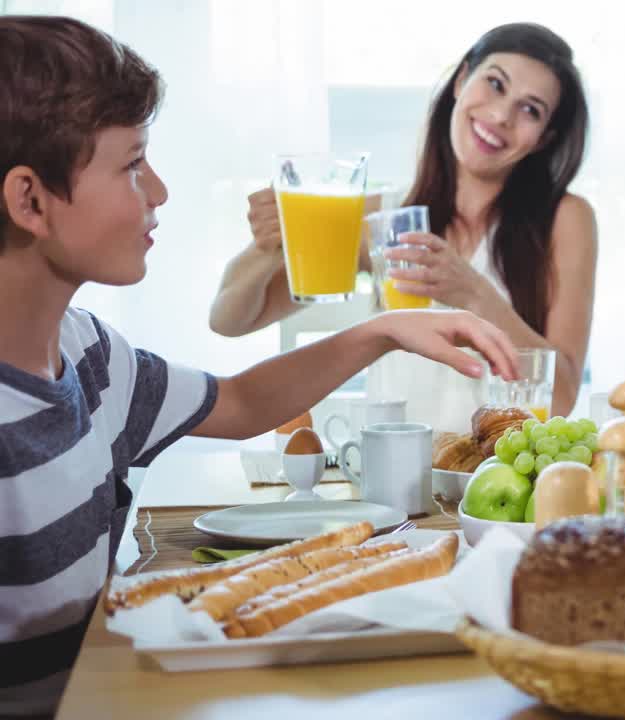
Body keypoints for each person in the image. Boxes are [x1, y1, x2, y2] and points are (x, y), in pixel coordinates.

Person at [0, 16, 520, 716]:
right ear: (30, 199)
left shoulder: (90, 353)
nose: (158, 191)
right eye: (131, 164)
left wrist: (383, 330)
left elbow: (240, 404)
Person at [208, 23, 596, 424]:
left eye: (530, 109)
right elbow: (229, 320)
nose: (501, 116)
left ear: (545, 138)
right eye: (495, 84)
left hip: (501, 475)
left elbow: (563, 397)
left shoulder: (565, 219)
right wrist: (268, 246)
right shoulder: (384, 220)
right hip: (393, 469)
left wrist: (475, 294)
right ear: (462, 79)